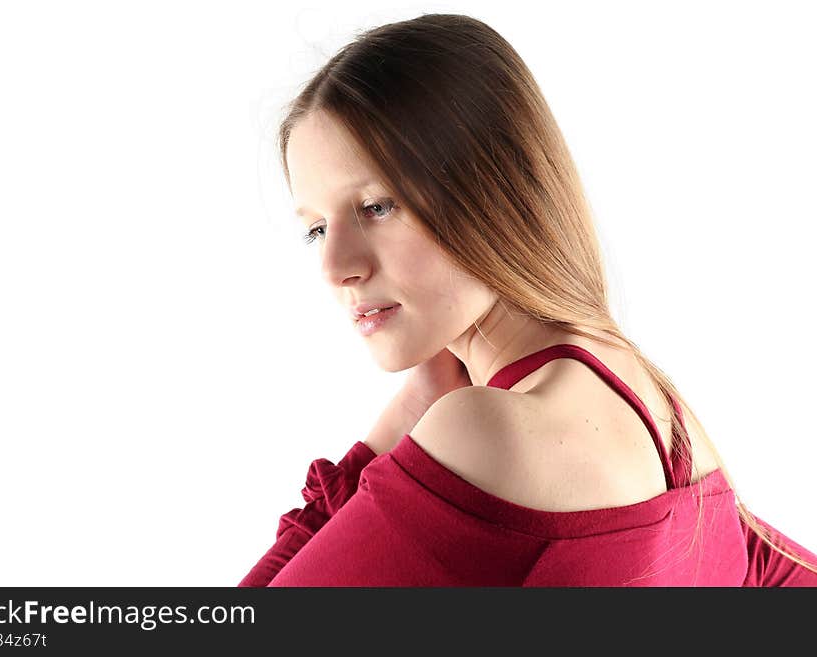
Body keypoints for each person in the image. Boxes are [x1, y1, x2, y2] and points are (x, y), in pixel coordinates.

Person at [238, 13, 817, 586]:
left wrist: (391, 433)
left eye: (376, 206)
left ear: (494, 189)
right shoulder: (664, 416)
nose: (336, 267)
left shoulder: (484, 435)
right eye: (316, 229)